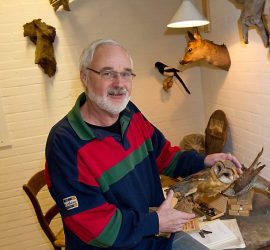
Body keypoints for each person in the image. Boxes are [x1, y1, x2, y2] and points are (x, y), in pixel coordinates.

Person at [45, 38, 242, 250]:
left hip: (157, 241)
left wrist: (203, 160)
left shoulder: (130, 113)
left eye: (126, 73)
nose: (119, 84)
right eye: (108, 73)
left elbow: (165, 156)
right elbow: (98, 228)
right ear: (85, 77)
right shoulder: (64, 143)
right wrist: (156, 222)